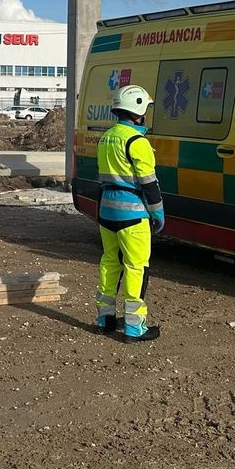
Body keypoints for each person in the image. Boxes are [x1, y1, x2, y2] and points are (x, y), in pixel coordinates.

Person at [94, 85, 165, 343]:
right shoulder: (138, 142)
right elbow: (149, 183)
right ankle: (135, 328)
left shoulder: (106, 137)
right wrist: (158, 213)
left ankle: (105, 319)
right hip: (133, 214)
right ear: (139, 110)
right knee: (136, 267)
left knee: (110, 263)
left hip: (106, 211)